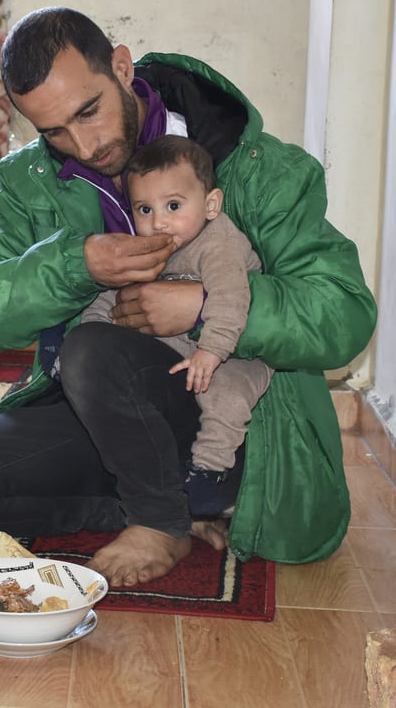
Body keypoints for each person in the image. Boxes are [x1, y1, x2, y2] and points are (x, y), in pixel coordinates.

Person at [0, 6, 376, 587]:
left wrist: (202, 308)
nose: (83, 143)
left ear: (122, 68)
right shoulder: (33, 179)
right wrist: (77, 264)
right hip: (105, 411)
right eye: (54, 130)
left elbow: (344, 313)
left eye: (89, 111)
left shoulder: (256, 168)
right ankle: (178, 509)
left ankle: (165, 514)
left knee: (91, 349)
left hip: (234, 417)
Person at [80, 135, 273, 517]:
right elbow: (117, 296)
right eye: (144, 209)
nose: (158, 222)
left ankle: (212, 475)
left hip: (235, 352)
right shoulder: (154, 245)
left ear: (211, 204)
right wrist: (90, 330)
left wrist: (212, 351)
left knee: (226, 398)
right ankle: (159, 474)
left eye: (172, 205)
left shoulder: (218, 244)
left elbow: (232, 298)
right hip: (184, 348)